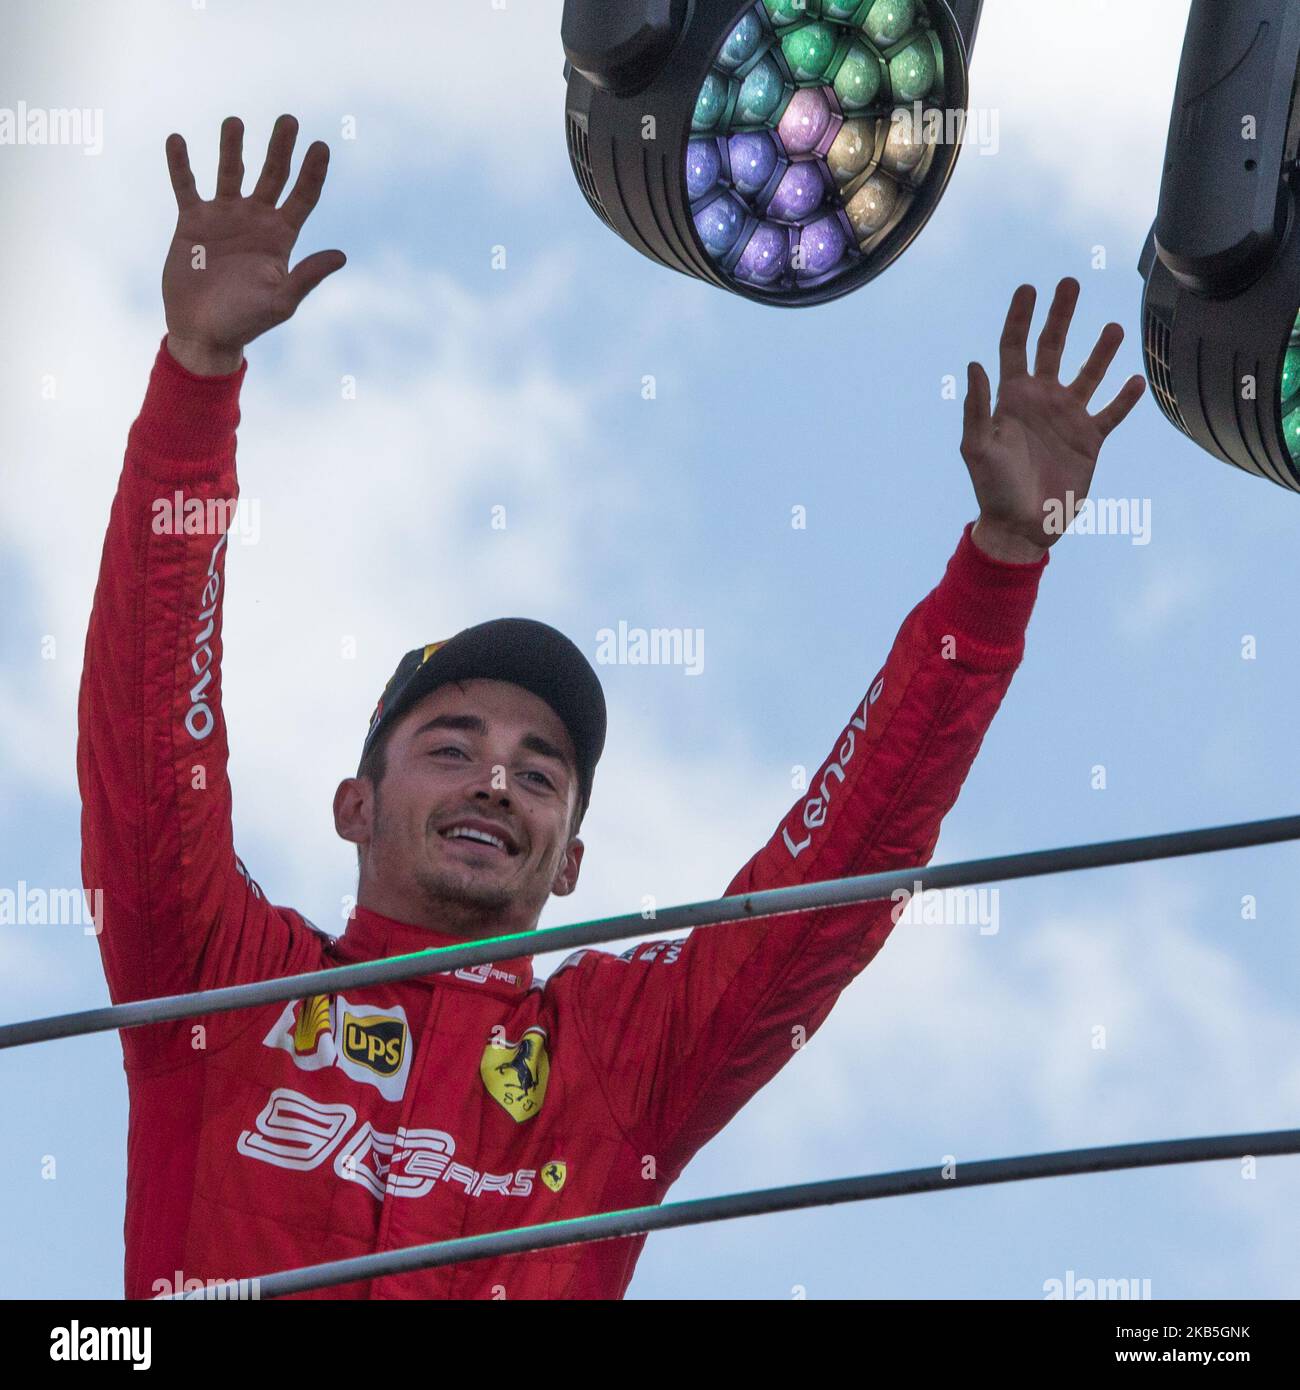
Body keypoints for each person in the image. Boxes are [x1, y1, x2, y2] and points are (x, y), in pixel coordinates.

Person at [78, 114, 1146, 1300]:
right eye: (452, 745)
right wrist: (195, 384)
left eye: (540, 773)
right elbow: (144, 722)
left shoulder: (613, 1058)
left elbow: (830, 883)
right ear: (353, 805)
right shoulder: (221, 980)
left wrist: (999, 565)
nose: (496, 780)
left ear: (571, 861)